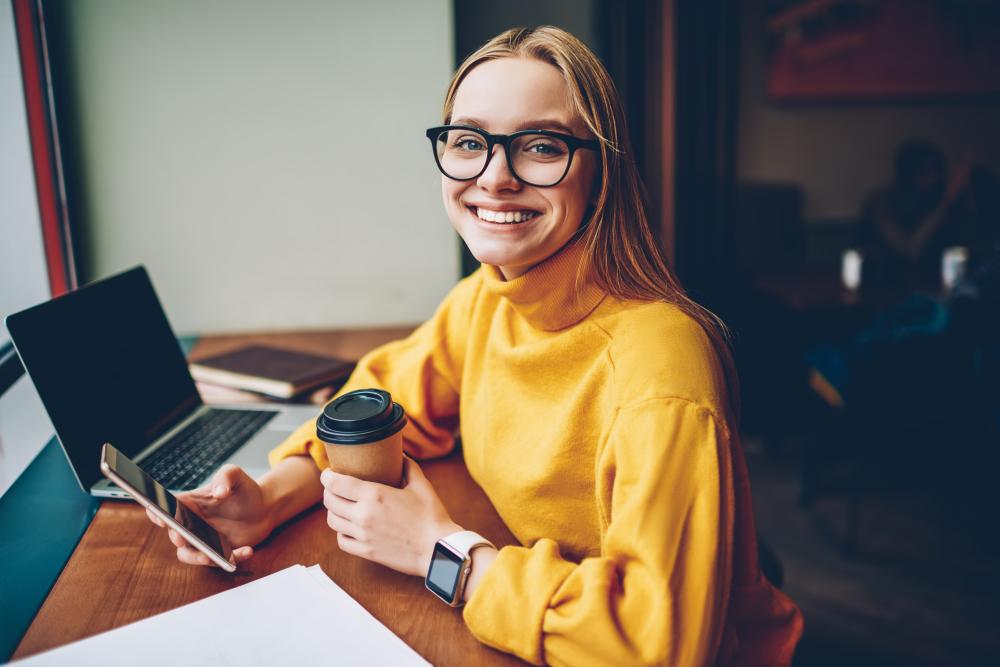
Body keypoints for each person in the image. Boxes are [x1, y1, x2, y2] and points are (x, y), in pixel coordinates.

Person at [147, 27, 803, 666]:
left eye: (540, 146)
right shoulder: (486, 298)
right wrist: (271, 497)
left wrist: (445, 551)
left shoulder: (661, 367)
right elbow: (381, 401)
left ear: (601, 170)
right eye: (469, 142)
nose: (494, 177)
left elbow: (655, 645)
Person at [854, 139, 979, 286]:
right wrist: (947, 200)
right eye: (927, 173)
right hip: (884, 287)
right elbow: (909, 250)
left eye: (939, 172)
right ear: (909, 174)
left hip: (935, 289)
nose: (936, 179)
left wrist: (968, 192)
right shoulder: (882, 202)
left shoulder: (937, 199)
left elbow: (966, 247)